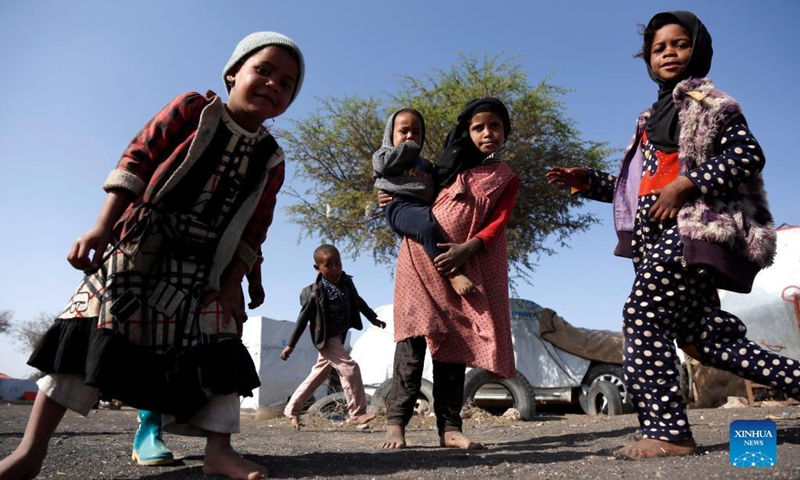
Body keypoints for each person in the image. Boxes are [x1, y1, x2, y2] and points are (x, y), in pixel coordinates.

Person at [0, 31, 305, 480]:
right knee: (85, 333)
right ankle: (31, 451)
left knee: (219, 345)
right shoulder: (191, 110)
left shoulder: (271, 158)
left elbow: (255, 229)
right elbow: (138, 159)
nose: (273, 84)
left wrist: (232, 283)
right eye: (263, 70)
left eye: (287, 83)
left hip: (205, 265)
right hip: (141, 245)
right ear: (233, 72)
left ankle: (218, 453)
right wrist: (103, 227)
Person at [546, 11, 800, 460]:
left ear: (697, 50)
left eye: (679, 44)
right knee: (710, 341)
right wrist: (590, 182)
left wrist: (687, 184)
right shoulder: (651, 118)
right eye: (658, 47)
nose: (668, 52)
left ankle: (668, 432)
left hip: (692, 234)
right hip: (658, 244)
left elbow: (747, 154)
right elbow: (640, 190)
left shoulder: (708, 102)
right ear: (646, 58)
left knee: (642, 314)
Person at [379, 98, 521, 450]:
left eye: (496, 126)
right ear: (466, 131)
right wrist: (386, 197)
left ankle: (450, 428)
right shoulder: (444, 166)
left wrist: (467, 249)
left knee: (453, 348)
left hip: (463, 266)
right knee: (411, 346)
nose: (488, 133)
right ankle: (396, 424)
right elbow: (411, 198)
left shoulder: (506, 177)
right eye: (478, 127)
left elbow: (498, 223)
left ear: (505, 131)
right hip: (417, 262)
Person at [130, 260, 266, 467]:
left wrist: (254, 277)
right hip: (172, 263)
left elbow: (251, 237)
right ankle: (148, 430)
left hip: (222, 272)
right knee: (162, 345)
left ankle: (219, 445)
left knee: (222, 345)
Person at [280, 244, 386, 430]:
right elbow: (302, 318)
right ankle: (357, 413)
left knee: (318, 374)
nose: (335, 269)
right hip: (326, 338)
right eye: (329, 265)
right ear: (318, 268)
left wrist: (373, 318)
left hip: (340, 335)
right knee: (350, 368)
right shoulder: (314, 292)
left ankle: (292, 410)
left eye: (338, 263)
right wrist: (290, 345)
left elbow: (357, 300)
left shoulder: (346, 283)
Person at [372, 108, 475, 295]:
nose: (410, 135)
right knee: (426, 227)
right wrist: (409, 147)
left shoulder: (425, 165)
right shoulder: (383, 155)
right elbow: (382, 168)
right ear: (390, 134)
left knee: (434, 227)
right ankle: (451, 273)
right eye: (404, 131)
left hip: (423, 209)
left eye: (416, 132)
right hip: (399, 205)